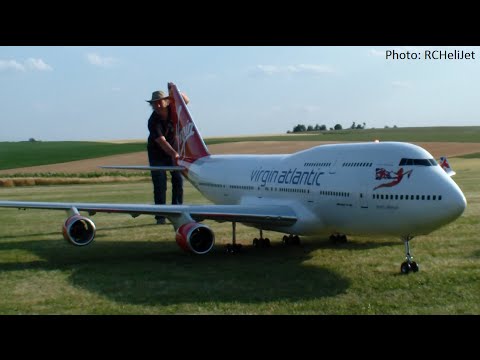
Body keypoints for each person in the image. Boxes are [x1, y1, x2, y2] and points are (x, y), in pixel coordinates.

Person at [146, 89, 190, 224]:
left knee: (178, 180)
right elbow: (162, 141)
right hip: (157, 153)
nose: (158, 106)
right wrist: (174, 154)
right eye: (155, 104)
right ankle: (161, 216)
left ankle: (177, 211)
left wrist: (174, 93)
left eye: (160, 102)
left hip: (174, 150)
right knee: (160, 182)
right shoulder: (153, 121)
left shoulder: (173, 110)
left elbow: (186, 100)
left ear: (166, 101)